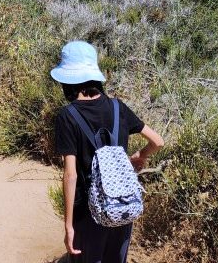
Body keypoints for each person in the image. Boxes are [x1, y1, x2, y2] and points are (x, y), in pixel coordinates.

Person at [52, 40, 164, 263]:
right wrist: (140, 157)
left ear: (67, 80)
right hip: (122, 206)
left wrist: (68, 226)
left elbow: (71, 174)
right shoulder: (117, 107)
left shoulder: (67, 116)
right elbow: (157, 141)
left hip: (88, 211)